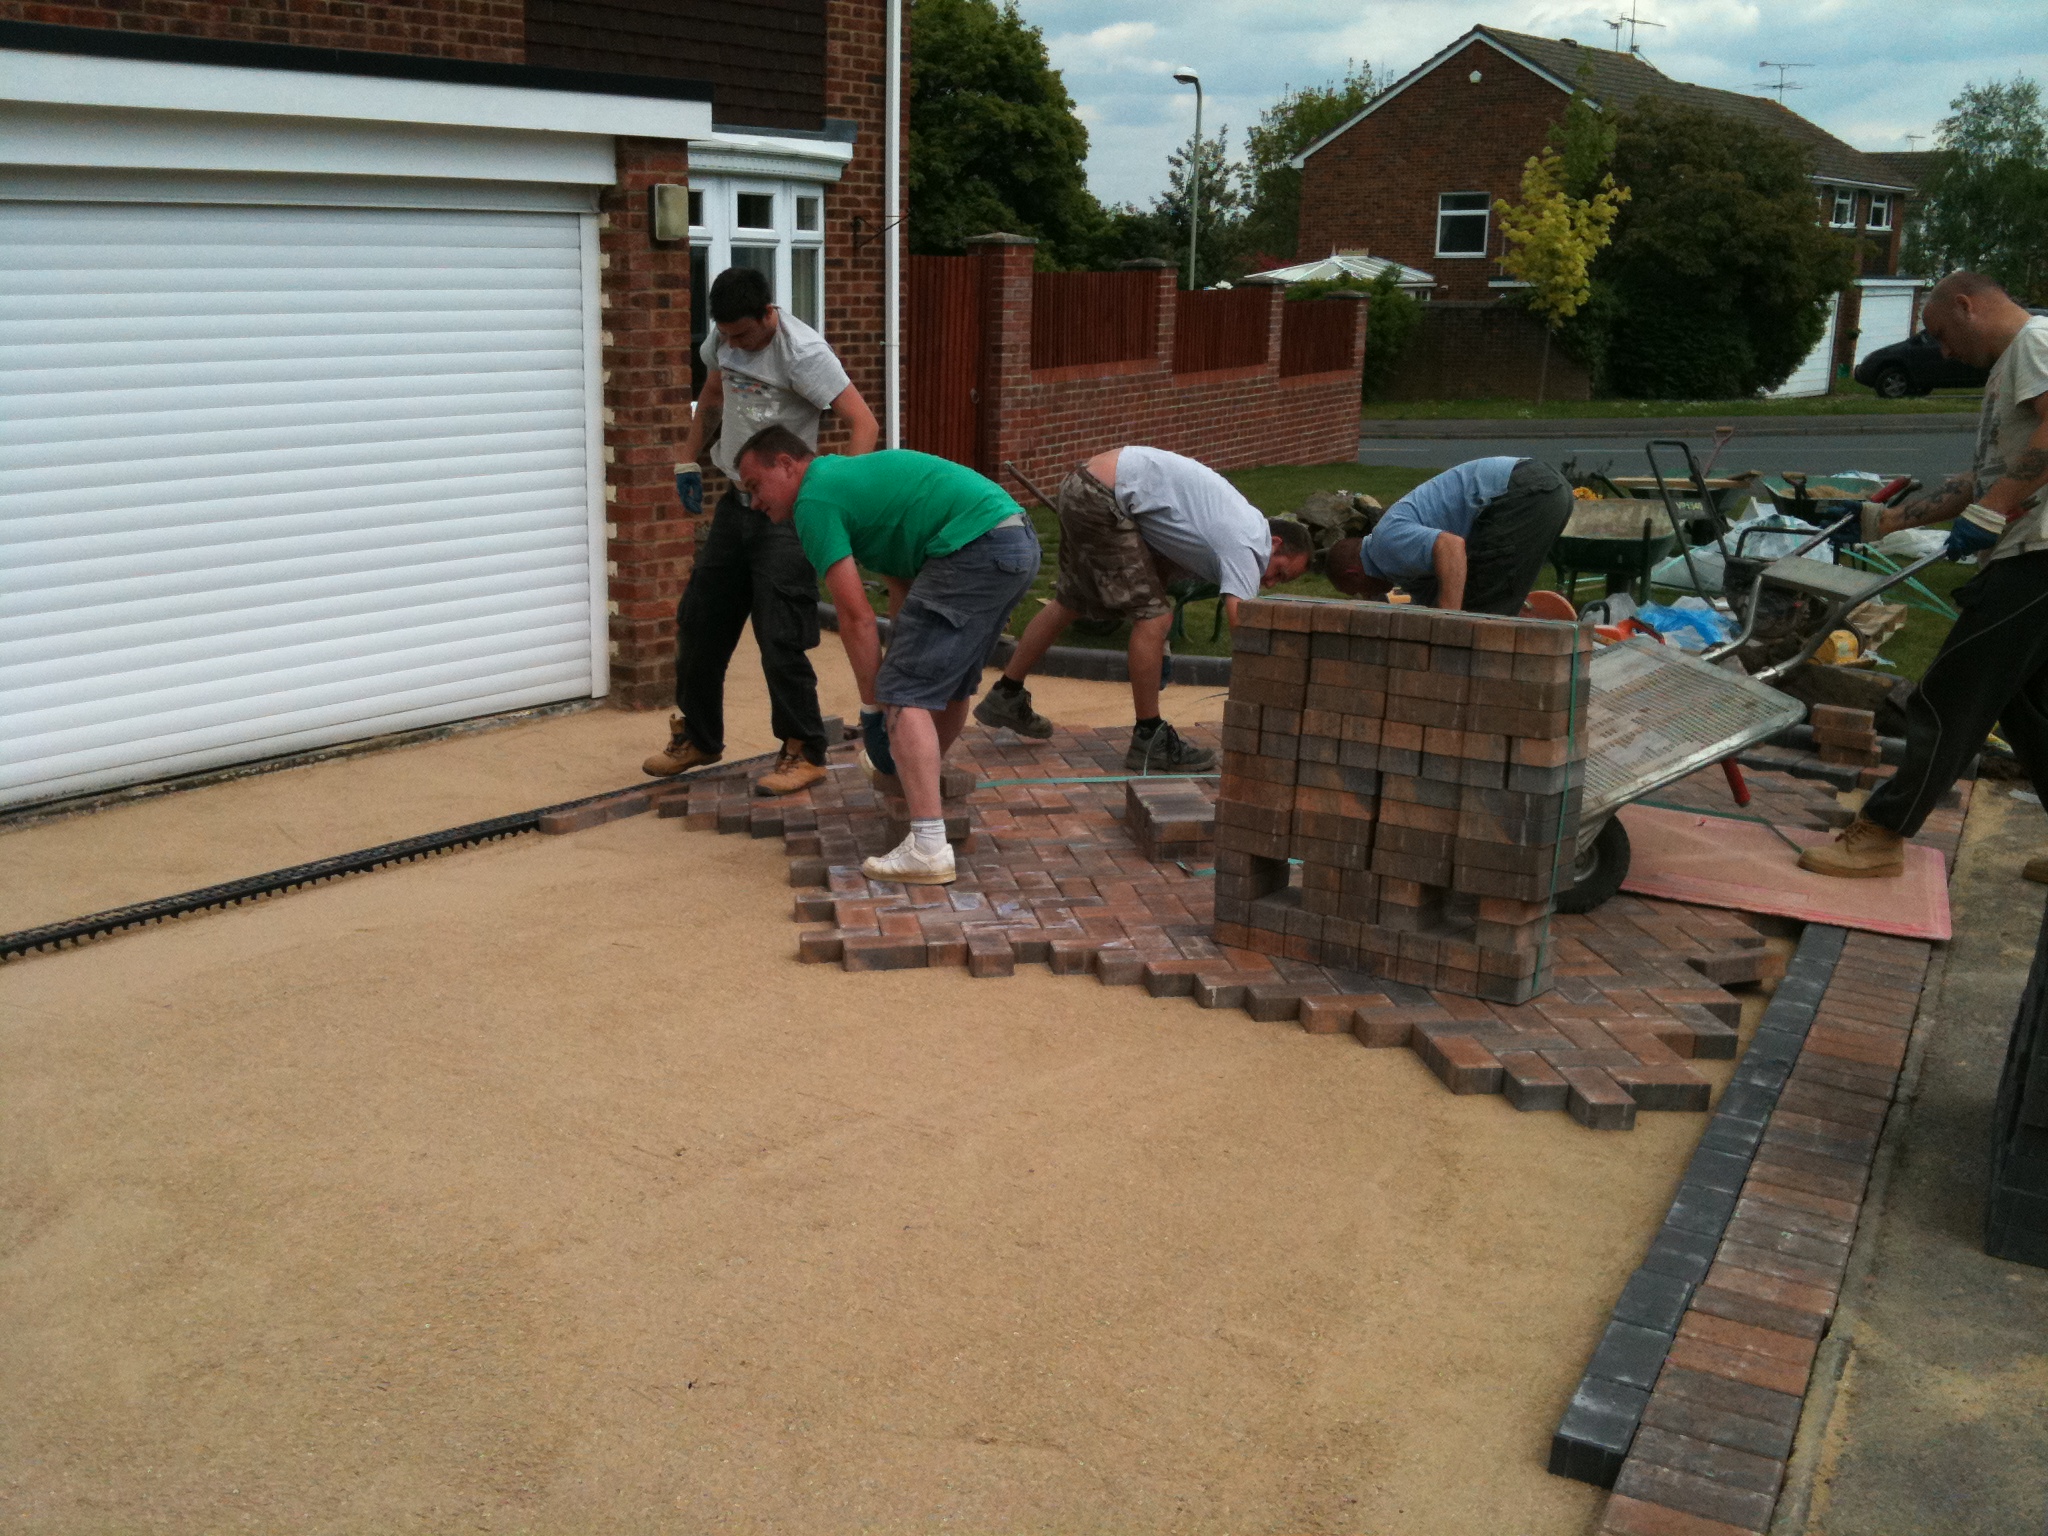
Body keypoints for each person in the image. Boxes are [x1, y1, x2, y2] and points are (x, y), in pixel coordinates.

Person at [1801, 271, 2048, 879]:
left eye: (1941, 332)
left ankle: (1884, 834)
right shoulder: (2013, 364)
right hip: (2030, 549)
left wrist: (1992, 514)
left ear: (1967, 307)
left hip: (2039, 556)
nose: (1940, 351)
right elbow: (1985, 480)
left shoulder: (2036, 344)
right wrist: (1879, 521)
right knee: (2026, 708)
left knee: (1949, 696)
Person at [734, 426, 1041, 886]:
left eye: (755, 486)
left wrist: (875, 706)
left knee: (904, 692)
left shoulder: (814, 501)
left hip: (974, 547)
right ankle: (915, 782)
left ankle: (928, 846)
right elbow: (903, 591)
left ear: (787, 464)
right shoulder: (851, 485)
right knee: (943, 684)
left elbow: (856, 618)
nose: (755, 503)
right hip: (1012, 542)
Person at [642, 266, 878, 795]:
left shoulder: (804, 354)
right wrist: (686, 459)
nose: (736, 346)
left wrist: (836, 493)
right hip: (738, 499)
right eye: (727, 337)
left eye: (745, 335)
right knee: (700, 622)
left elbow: (864, 423)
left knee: (780, 633)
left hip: (792, 509)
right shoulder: (723, 339)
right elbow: (713, 396)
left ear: (770, 313)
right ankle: (699, 738)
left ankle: (803, 750)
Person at [973, 446, 1314, 769]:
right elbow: (1241, 621)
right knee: (1155, 618)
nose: (1269, 583)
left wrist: (1158, 649)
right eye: (1279, 572)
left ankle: (1007, 694)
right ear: (1276, 543)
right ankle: (1150, 739)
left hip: (1090, 487)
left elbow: (1159, 564)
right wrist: (1277, 677)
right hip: (1102, 497)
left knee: (1072, 602)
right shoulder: (1249, 542)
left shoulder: (1224, 525)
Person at [1320, 456, 1573, 615]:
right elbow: (1434, 594)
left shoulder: (1386, 544)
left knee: (1479, 616)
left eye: (1356, 591)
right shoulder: (1395, 560)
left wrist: (1447, 622)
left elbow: (1449, 546)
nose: (1366, 597)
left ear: (1353, 573)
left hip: (1521, 492)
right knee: (1488, 603)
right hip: (1544, 489)